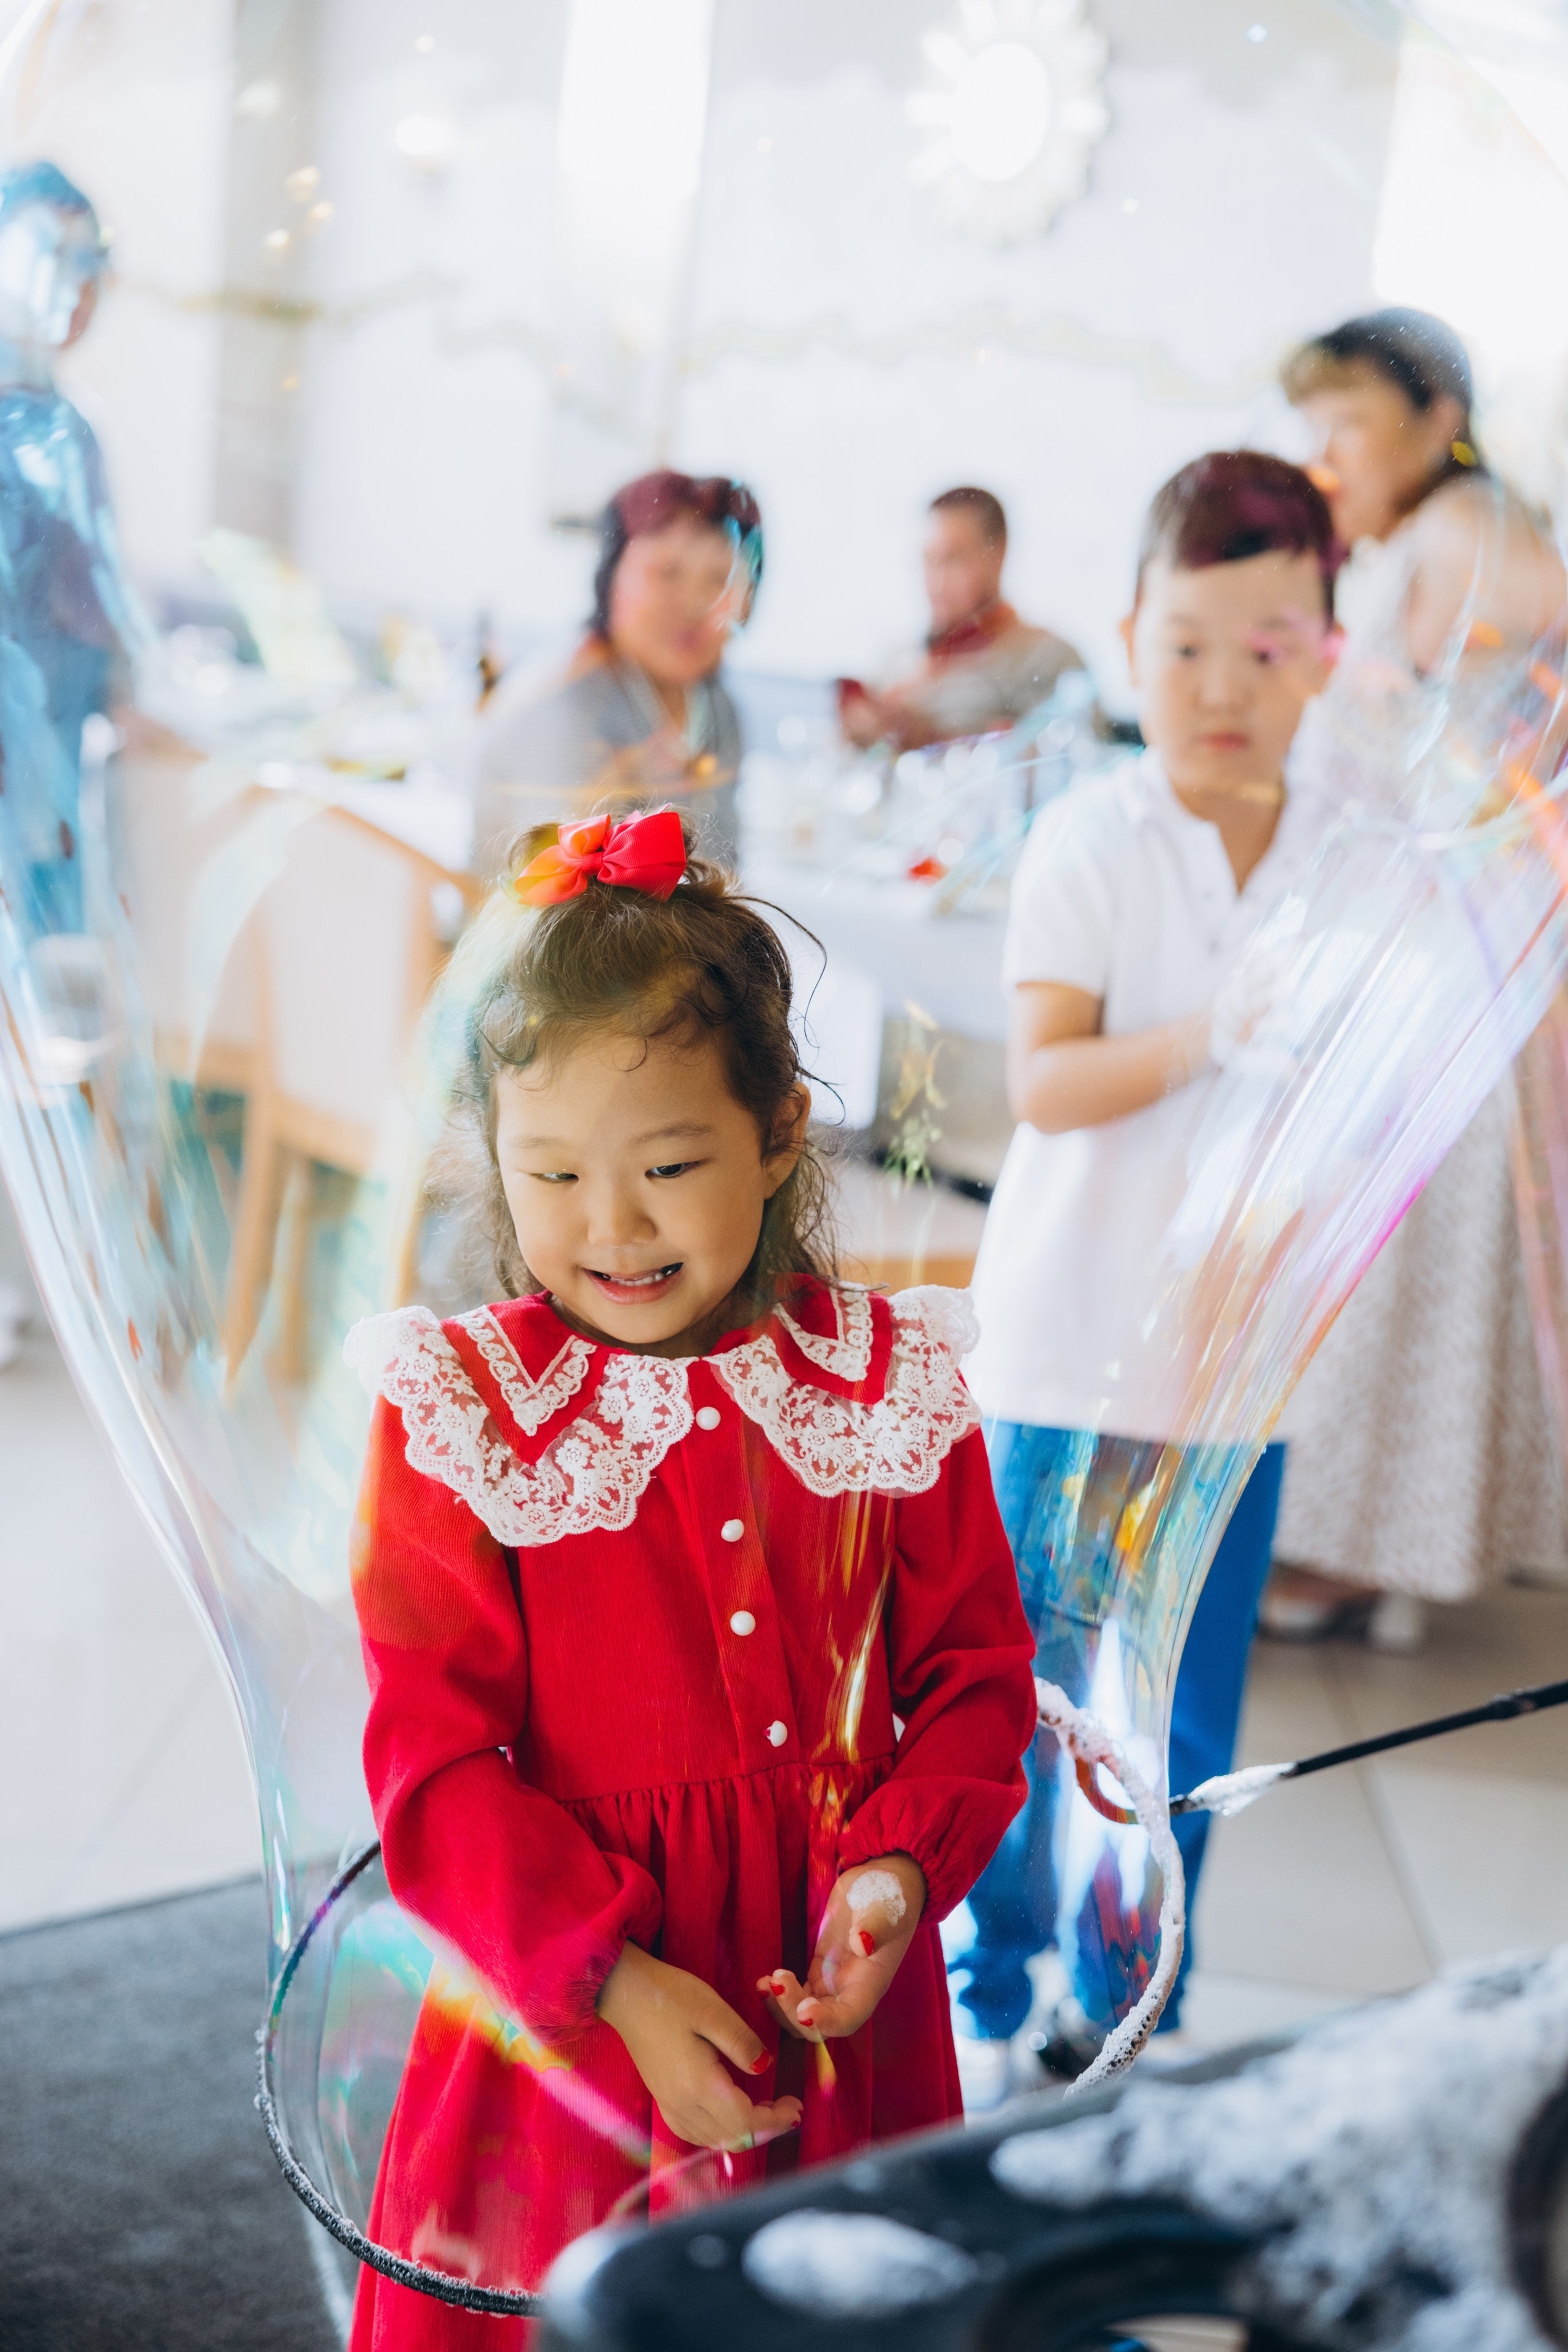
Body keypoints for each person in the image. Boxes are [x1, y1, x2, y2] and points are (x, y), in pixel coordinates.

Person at [342, 806, 1037, 2344]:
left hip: (831, 2012)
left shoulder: (886, 1389)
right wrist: (620, 1984)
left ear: (780, 1132)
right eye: (554, 1172)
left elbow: (977, 1681)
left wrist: (895, 1869)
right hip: (576, 2029)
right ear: (492, 1163)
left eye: (668, 1162)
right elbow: (435, 1768)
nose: (612, 1225)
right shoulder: (464, 1419)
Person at [955, 453, 1344, 2100]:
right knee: (1023, 1702)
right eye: (1185, 644)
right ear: (1128, 637)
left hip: (1233, 1378)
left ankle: (1130, 2020)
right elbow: (1045, 1082)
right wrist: (1207, 1041)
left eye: (1267, 647)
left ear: (1326, 650)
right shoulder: (1093, 839)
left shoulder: (1349, 855)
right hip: (1060, 1359)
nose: (1219, 688)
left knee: (1177, 1728)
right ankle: (987, 2004)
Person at [1265, 308, 1568, 1649]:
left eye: (1347, 424)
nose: (1325, 455)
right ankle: (1357, 1546)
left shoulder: (1468, 538)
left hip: (1440, 945)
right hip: (1410, 932)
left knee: (1387, 1254)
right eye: (1312, 426)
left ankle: (1352, 1554)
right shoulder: (1424, 539)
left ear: (1432, 419)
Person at [475, 472, 761, 879]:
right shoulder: (565, 704)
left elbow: (726, 870)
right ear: (610, 579)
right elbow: (559, 905)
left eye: (721, 579)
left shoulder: (719, 707)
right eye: (667, 572)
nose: (695, 602)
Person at [0, 161, 146, 938]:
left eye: (95, 263)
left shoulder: (69, 429)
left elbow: (94, 610)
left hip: (47, 789)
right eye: (59, 258)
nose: (82, 286)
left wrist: (135, 691)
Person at [837, 486, 1086, 752]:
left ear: (998, 554)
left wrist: (933, 743)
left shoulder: (1049, 660)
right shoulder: (899, 657)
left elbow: (1070, 763)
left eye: (952, 560)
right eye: (929, 562)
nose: (936, 582)